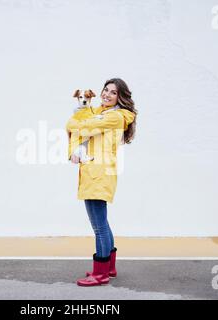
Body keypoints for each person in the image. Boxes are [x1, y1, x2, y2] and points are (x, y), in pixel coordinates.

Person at [66, 78, 137, 286]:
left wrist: (75, 124)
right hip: (94, 171)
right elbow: (75, 127)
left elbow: (80, 126)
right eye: (105, 90)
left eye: (113, 92)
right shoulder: (101, 112)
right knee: (102, 223)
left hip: (99, 173)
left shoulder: (115, 116)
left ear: (120, 98)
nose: (106, 94)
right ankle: (109, 268)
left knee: (99, 227)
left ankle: (101, 273)